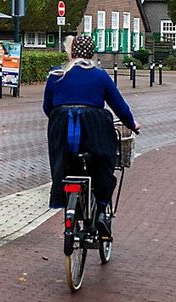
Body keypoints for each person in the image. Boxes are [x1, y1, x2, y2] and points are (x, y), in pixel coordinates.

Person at [44, 34, 139, 238]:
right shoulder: (100, 75)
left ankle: (65, 198)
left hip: (62, 127)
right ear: (91, 53)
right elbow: (119, 107)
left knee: (62, 163)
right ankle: (101, 214)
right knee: (105, 162)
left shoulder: (56, 75)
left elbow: (47, 108)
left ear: (72, 52)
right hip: (94, 129)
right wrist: (132, 124)